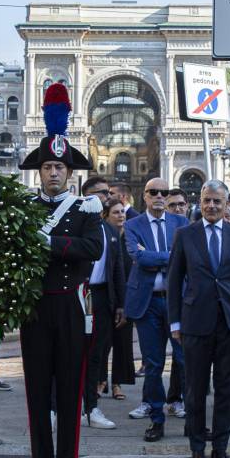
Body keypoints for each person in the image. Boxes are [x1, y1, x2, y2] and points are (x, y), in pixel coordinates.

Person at [18, 84, 103, 458]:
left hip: (69, 306)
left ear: (71, 173)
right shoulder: (24, 208)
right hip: (35, 308)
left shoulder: (86, 209)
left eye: (60, 167)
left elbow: (93, 250)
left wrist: (47, 246)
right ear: (39, 171)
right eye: (48, 166)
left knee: (69, 395)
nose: (53, 173)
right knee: (36, 397)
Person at [167, 180, 230, 458]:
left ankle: (220, 450)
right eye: (206, 200)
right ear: (200, 202)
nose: (211, 206)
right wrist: (175, 322)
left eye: (217, 201)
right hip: (195, 323)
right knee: (194, 390)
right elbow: (173, 281)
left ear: (226, 204)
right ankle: (197, 450)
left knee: (226, 390)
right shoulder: (185, 235)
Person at [123, 176, 187, 442]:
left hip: (177, 302)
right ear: (145, 197)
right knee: (153, 363)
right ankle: (157, 419)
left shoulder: (181, 223)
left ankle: (185, 410)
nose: (160, 196)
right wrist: (169, 256)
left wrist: (155, 256)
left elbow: (185, 258)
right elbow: (137, 256)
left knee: (184, 360)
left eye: (164, 192)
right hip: (148, 303)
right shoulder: (132, 225)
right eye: (154, 192)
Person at [79, 176, 126, 430]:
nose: (106, 197)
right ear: (86, 195)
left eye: (107, 193)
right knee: (72, 354)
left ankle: (91, 407)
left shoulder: (109, 229)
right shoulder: (74, 224)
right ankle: (60, 407)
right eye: (100, 193)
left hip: (101, 298)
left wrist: (120, 304)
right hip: (77, 295)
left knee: (97, 355)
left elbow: (117, 268)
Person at [103, 198, 135, 400]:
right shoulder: (103, 236)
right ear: (106, 216)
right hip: (106, 296)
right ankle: (100, 381)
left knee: (123, 343)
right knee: (103, 342)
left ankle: (117, 384)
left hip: (127, 296)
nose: (121, 215)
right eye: (116, 212)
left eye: (122, 212)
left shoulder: (130, 237)